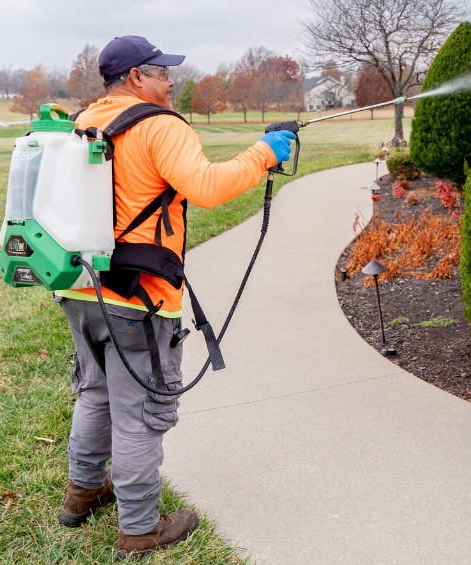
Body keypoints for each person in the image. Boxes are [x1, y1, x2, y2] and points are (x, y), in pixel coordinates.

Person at [53, 35, 296, 560]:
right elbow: (207, 187)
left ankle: (81, 494)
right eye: (162, 72)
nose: (171, 80)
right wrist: (265, 152)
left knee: (95, 392)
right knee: (138, 412)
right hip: (139, 299)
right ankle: (140, 528)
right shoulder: (159, 126)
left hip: (79, 285)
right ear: (136, 77)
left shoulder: (81, 122)